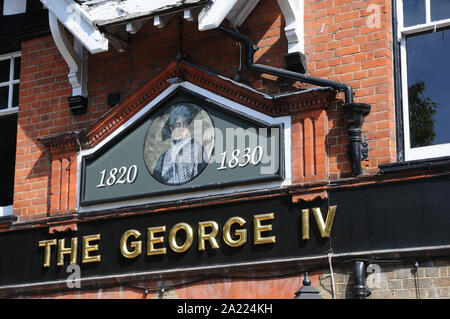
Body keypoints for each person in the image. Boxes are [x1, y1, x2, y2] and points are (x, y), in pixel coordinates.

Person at [153, 104, 206, 185]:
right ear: (171, 128)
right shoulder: (163, 157)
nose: (182, 128)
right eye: (178, 125)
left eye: (185, 124)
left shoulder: (197, 148)